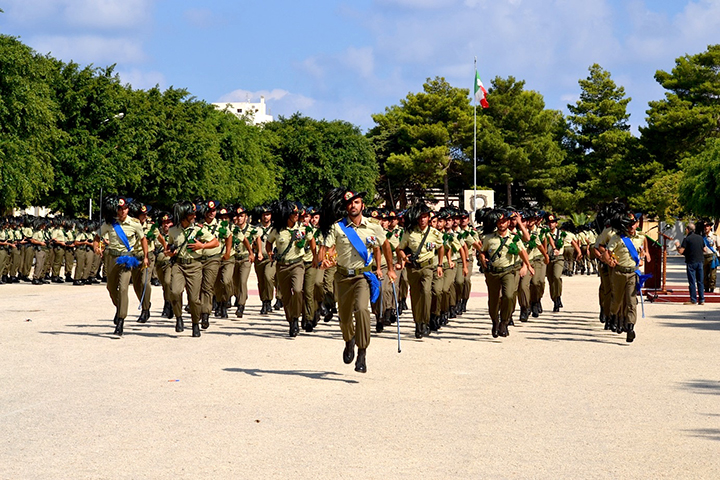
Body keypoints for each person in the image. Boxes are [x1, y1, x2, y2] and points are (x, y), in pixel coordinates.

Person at [318, 188, 396, 373]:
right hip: (343, 277)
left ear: (362, 205)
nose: (353, 206)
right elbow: (328, 248)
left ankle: (362, 352)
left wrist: (390, 269)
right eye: (349, 203)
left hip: (362, 276)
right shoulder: (338, 227)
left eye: (356, 202)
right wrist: (325, 260)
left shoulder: (374, 226)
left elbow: (385, 246)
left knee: (361, 310)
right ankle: (349, 340)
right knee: (345, 318)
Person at [93, 196, 149, 336]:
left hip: (127, 258)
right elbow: (97, 236)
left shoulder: (135, 223)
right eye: (119, 209)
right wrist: (97, 247)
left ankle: (120, 320)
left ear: (128, 209)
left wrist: (146, 257)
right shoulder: (109, 223)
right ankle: (119, 308)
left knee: (123, 288)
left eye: (124, 209)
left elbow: (143, 240)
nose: (122, 211)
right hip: (111, 257)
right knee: (111, 287)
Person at [166, 201, 220, 337]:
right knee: (175, 291)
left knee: (194, 299)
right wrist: (169, 252)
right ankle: (178, 318)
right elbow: (169, 246)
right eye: (192, 213)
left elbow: (215, 242)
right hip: (178, 265)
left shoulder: (198, 230)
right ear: (184, 215)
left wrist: (202, 246)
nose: (195, 216)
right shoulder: (173, 230)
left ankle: (195, 323)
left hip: (194, 265)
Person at [395, 201, 444, 339]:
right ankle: (418, 323)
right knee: (416, 296)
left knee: (427, 292)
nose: (423, 219)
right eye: (420, 217)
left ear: (429, 217)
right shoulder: (410, 232)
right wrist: (404, 258)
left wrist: (439, 265)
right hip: (413, 269)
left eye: (425, 216)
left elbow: (441, 248)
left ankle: (426, 321)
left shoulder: (434, 233)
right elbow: (400, 248)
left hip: (428, 267)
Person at [603, 212, 648, 342]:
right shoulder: (617, 238)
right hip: (619, 273)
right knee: (617, 300)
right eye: (629, 224)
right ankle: (612, 315)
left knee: (631, 301)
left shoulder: (641, 237)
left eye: (634, 223)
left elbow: (642, 250)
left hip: (633, 273)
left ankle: (630, 327)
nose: (632, 226)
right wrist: (609, 261)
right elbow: (607, 253)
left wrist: (642, 257)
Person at [675, 222, 706, 305]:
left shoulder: (687, 239)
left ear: (687, 229)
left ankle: (693, 299)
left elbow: (681, 251)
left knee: (692, 281)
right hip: (700, 261)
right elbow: (705, 249)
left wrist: (677, 246)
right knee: (700, 281)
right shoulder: (700, 238)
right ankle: (702, 299)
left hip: (691, 262)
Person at [699, 220, 718, 293]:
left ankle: (712, 287)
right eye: (705, 226)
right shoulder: (702, 237)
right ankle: (706, 287)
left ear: (710, 227)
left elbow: (718, 247)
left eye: (707, 226)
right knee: (704, 274)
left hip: (712, 257)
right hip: (704, 256)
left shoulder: (715, 236)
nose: (706, 228)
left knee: (713, 274)